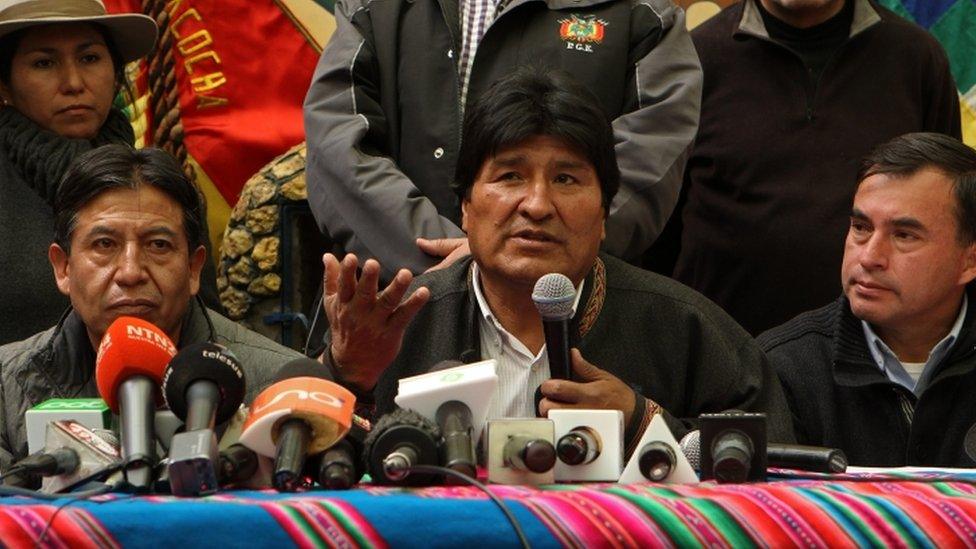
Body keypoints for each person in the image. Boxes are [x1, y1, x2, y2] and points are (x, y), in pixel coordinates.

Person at [318, 70, 793, 453]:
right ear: (464, 206)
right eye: (510, 176)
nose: (538, 205)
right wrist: (347, 375)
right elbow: (308, 469)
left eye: (566, 179)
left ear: (605, 213)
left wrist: (640, 419)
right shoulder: (399, 323)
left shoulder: (684, 326)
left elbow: (778, 469)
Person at [303, 0, 702, 281]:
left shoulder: (642, 12)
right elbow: (339, 145)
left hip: (572, 320)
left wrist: (521, 257)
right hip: (399, 309)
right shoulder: (372, 6)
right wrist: (454, 264)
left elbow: (653, 151)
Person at [658, 0, 960, 335]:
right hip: (719, 353)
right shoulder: (695, 60)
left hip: (873, 361)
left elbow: (951, 217)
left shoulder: (917, 58)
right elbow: (656, 234)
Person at [0, 145, 304, 468]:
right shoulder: (6, 388)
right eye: (105, 245)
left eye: (158, 245)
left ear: (193, 269)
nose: (131, 272)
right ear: (63, 268)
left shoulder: (277, 387)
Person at [0, 0, 221, 344]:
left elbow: (207, 328)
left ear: (117, 73)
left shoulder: (164, 188)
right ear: (5, 83)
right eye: (44, 63)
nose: (73, 82)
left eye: (90, 58)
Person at [759, 133, 976, 466]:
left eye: (904, 235)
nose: (869, 257)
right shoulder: (783, 366)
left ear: (969, 261)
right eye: (861, 227)